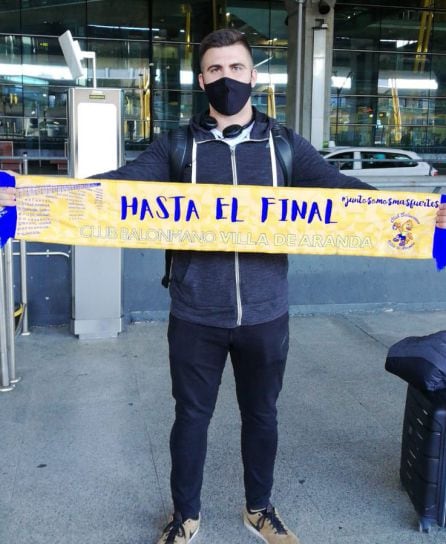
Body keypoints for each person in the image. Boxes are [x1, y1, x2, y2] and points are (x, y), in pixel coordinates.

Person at [2, 28, 446, 544]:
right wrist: (33, 201)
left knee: (262, 416)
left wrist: (418, 213)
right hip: (195, 312)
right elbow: (116, 189)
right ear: (201, 79)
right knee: (190, 419)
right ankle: (185, 515)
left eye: (236, 68)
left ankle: (258, 510)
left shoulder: (282, 146)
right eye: (215, 70)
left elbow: (343, 191)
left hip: (265, 312)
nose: (227, 79)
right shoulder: (177, 146)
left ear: (253, 76)